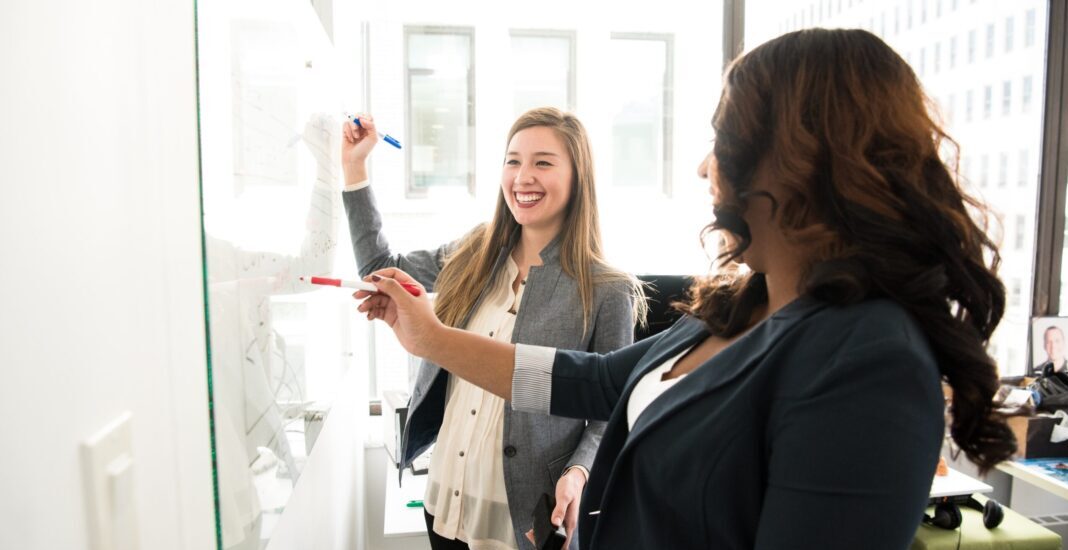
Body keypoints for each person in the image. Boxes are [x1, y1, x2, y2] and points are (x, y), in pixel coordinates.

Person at [354, 29, 1017, 549]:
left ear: (798, 158)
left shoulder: (868, 359)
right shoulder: (741, 305)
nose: (704, 166)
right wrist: (432, 339)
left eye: (721, 140)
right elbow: (592, 380)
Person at [341, 107, 645, 549]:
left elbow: (610, 412)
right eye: (513, 160)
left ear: (579, 177)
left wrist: (579, 472)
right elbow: (380, 269)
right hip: (446, 496)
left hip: (524, 513)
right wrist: (355, 167)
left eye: (543, 162)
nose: (523, 177)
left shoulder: (607, 289)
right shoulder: (474, 251)